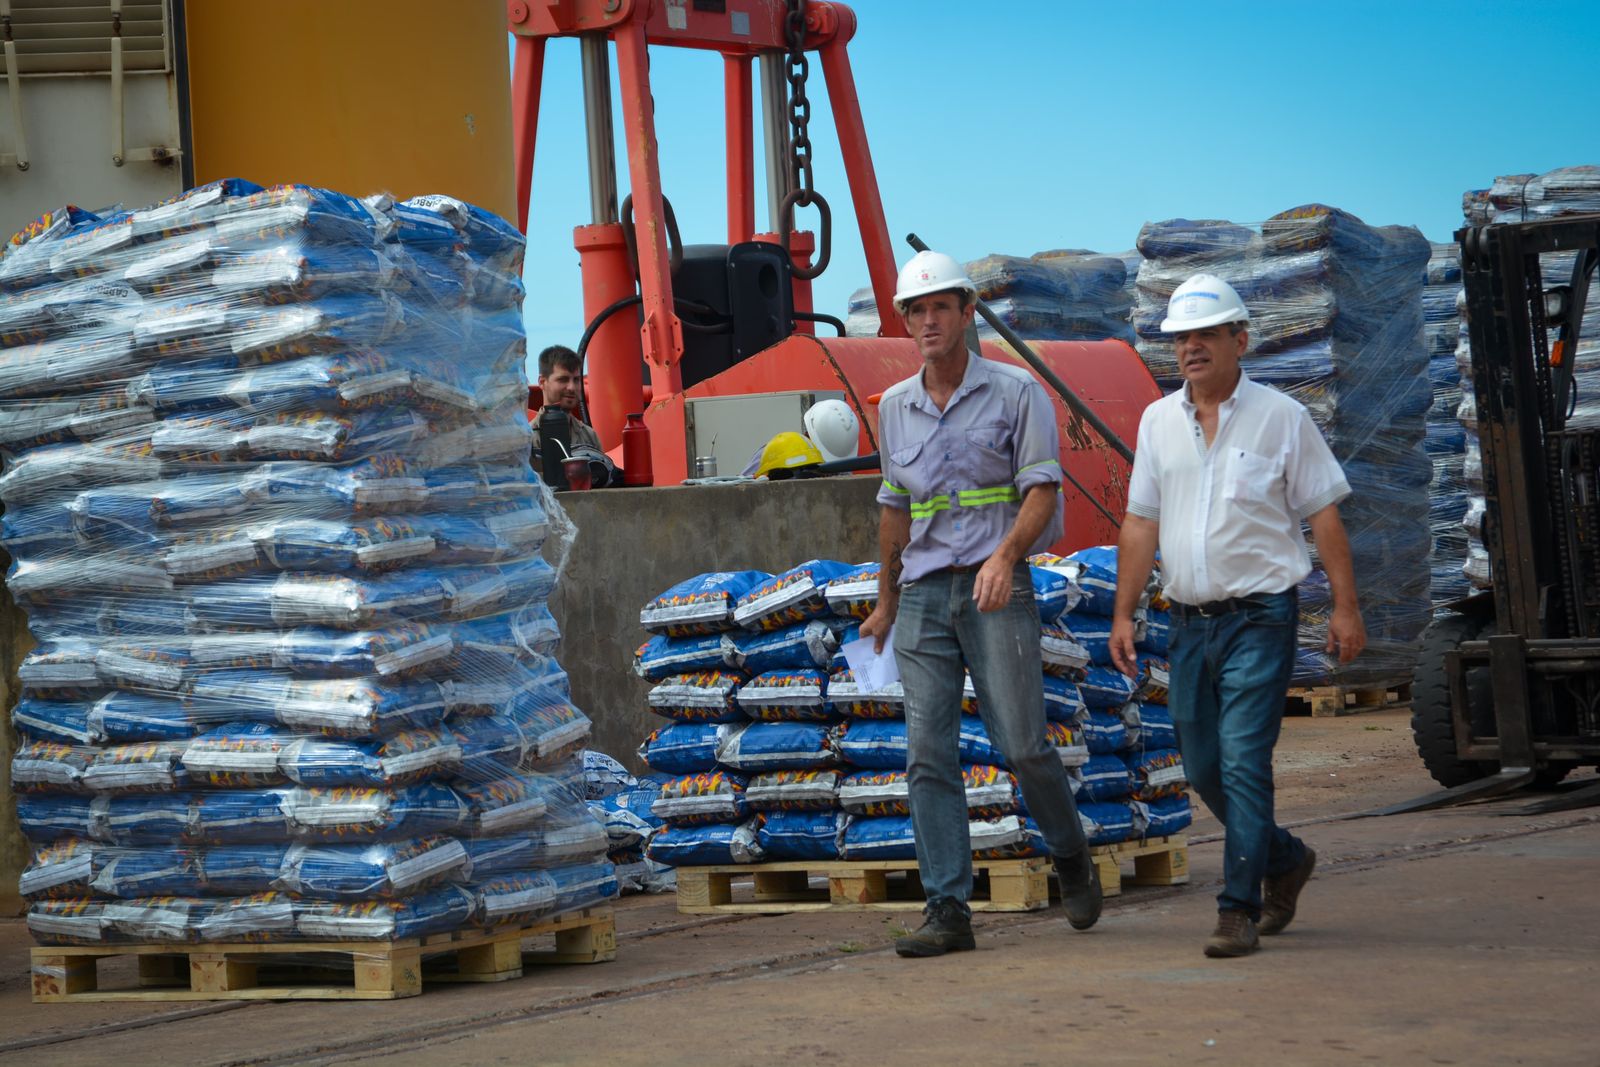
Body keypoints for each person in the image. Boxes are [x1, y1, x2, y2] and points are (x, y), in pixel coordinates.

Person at [1108, 272, 1366, 959]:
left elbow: (1323, 514)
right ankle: (1285, 857)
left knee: (1245, 761)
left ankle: (1237, 908)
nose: (1191, 348)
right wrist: (1123, 613)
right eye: (1181, 338)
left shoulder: (1282, 417)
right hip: (1189, 622)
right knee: (1202, 766)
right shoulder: (1158, 422)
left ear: (1239, 340)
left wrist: (1346, 608)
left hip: (1260, 617)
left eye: (1205, 334)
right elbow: (1140, 522)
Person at [860, 250, 1103, 959]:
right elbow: (894, 510)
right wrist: (885, 601)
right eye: (916, 310)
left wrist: (1004, 557)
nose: (928, 321)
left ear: (967, 313)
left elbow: (1043, 492)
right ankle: (948, 908)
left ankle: (1071, 855)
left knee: (1022, 743)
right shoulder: (894, 407)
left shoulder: (1017, 393)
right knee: (927, 755)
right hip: (924, 595)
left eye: (940, 306)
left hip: (998, 586)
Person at [530, 344, 602, 462]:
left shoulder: (589, 436)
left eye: (576, 380)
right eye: (563, 379)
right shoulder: (527, 439)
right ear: (542, 382)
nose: (571, 387)